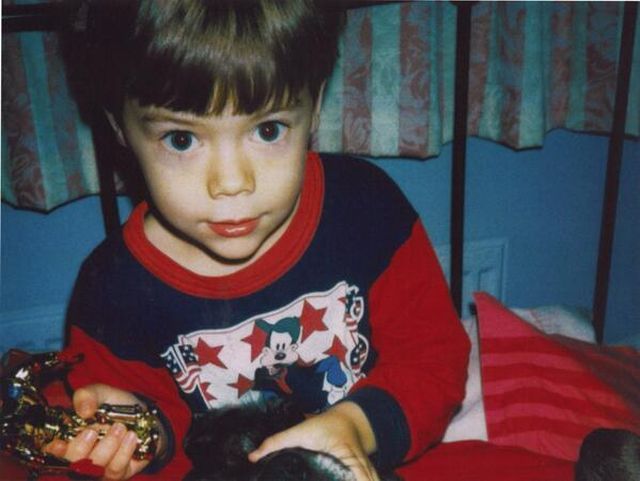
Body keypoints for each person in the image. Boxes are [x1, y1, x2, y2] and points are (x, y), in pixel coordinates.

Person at [45, 1, 470, 480]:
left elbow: (434, 360)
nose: (232, 182)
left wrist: (356, 426)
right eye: (181, 139)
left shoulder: (367, 210)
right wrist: (133, 435)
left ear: (315, 105)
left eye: (268, 130)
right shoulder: (112, 291)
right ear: (119, 127)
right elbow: (135, 432)